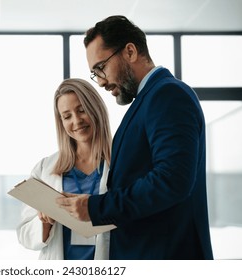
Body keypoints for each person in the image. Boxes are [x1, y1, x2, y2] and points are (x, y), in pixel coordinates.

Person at [56, 15, 214, 260]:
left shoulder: (167, 95)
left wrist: (95, 207)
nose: (100, 82)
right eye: (94, 73)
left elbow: (171, 180)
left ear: (130, 51)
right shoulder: (147, 101)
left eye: (101, 68)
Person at [17, 78, 112, 260]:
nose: (76, 121)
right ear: (61, 122)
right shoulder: (45, 168)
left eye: (82, 110)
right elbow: (24, 234)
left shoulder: (122, 162)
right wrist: (44, 223)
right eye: (67, 116)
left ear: (96, 109)